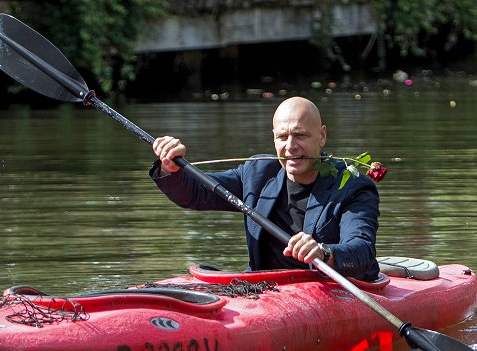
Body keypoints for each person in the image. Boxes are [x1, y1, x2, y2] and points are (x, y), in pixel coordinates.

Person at [150, 96, 380, 281]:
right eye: (282, 137)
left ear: (321, 136)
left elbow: (362, 250)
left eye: (300, 135)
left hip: (330, 289)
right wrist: (171, 168)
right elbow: (195, 194)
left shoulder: (353, 186)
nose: (290, 146)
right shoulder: (257, 173)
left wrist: (324, 252)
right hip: (267, 291)